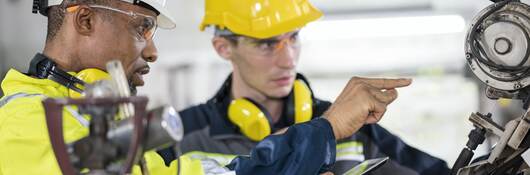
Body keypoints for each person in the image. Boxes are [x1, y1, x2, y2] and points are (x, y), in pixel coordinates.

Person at [0, 0, 410, 174]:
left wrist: (305, 140)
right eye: (142, 27)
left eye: (293, 38)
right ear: (85, 21)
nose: (153, 50)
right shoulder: (26, 122)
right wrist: (328, 128)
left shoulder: (99, 126)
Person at [164, 0, 450, 174]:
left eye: (294, 38)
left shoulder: (354, 129)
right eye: (267, 44)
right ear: (223, 48)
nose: (288, 59)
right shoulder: (181, 138)